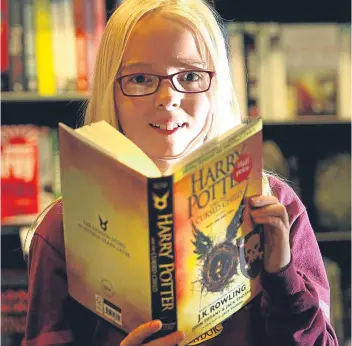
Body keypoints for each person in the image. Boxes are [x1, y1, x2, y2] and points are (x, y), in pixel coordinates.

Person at [22, 0, 339, 345]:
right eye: (141, 78)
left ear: (216, 85)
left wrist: (282, 278)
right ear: (111, 88)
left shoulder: (275, 206)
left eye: (190, 76)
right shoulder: (63, 228)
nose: (168, 97)